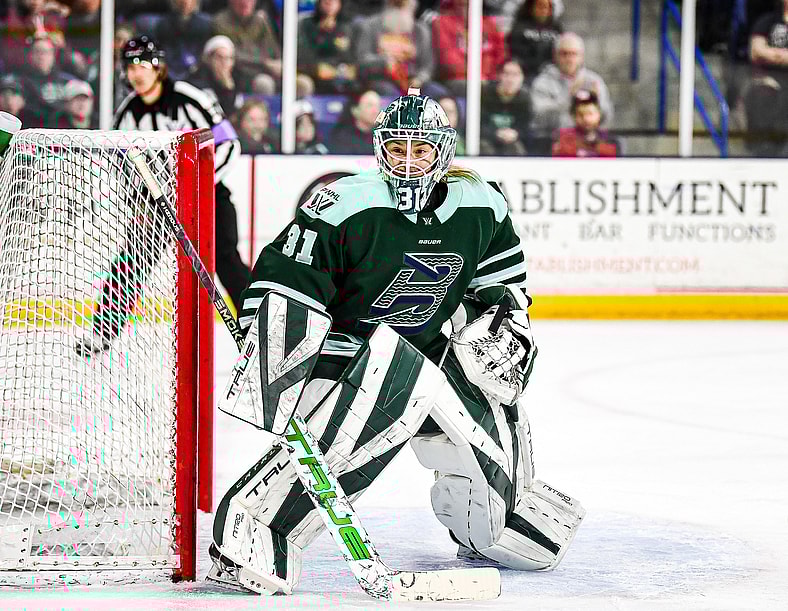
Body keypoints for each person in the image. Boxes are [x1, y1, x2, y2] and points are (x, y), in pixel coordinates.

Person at [207, 88, 585, 596]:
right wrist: (276, 357)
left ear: (443, 152)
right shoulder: (344, 204)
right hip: (347, 365)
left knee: (507, 534)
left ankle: (497, 515)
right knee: (392, 372)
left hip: (432, 359)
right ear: (380, 149)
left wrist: (503, 330)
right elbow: (285, 284)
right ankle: (259, 523)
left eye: (420, 150)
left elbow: (502, 290)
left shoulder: (481, 206)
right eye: (396, 149)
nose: (407, 163)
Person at [76, 35, 250, 354]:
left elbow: (229, 143)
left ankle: (256, 328)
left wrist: (197, 184)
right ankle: (103, 330)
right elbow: (122, 165)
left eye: (143, 64)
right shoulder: (127, 114)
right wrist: (138, 203)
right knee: (132, 262)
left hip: (207, 194)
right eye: (129, 66)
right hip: (158, 204)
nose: (136, 72)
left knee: (227, 260)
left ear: (159, 66)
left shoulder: (189, 98)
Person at [529, 32, 613, 136]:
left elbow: (606, 117)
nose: (569, 59)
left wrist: (596, 102)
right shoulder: (542, 82)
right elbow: (539, 118)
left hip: (586, 140)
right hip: (552, 141)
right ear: (555, 56)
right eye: (564, 54)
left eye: (573, 54)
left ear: (581, 57)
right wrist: (568, 98)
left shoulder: (593, 80)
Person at [355, 0, 434, 96]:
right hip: (382, 79)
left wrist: (420, 79)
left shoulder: (420, 31)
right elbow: (362, 58)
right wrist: (384, 61)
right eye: (396, 5)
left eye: (403, 5)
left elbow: (427, 65)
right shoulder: (371, 26)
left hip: (413, 81)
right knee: (389, 93)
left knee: (439, 95)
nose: (399, 9)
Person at [431, 0, 506, 97]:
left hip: (487, 79)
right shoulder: (442, 22)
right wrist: (477, 75)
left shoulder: (489, 24)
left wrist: (487, 76)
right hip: (457, 80)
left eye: (468, 4)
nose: (465, 7)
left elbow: (500, 55)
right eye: (462, 4)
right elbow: (449, 59)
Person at [744, 0, 788, 156]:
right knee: (761, 94)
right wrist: (781, 55)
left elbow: (764, 51)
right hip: (769, 80)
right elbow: (756, 50)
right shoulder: (767, 21)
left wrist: (773, 54)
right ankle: (763, 152)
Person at [296, 0, 357, 94]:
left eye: (334, 1)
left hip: (339, 71)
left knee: (355, 84)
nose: (330, 3)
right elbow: (303, 54)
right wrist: (321, 33)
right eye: (326, 1)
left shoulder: (346, 26)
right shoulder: (307, 24)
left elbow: (350, 56)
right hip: (314, 70)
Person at [188, 35, 251, 116]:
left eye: (229, 58)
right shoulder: (197, 80)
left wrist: (228, 90)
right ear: (208, 59)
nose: (224, 62)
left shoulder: (237, 80)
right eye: (219, 57)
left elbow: (234, 115)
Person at [153, 0, 216, 80]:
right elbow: (162, 49)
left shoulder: (205, 24)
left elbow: (205, 50)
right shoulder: (163, 24)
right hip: (171, 68)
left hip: (197, 69)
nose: (185, 3)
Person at [480, 59, 532, 156]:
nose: (510, 79)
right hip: (487, 140)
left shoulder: (525, 100)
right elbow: (479, 125)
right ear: (498, 76)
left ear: (523, 78)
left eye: (515, 75)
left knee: (516, 148)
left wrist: (516, 133)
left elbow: (527, 127)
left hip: (513, 141)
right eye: (506, 74)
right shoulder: (485, 95)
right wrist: (495, 133)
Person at [552, 88, 619, 157]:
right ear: (574, 116)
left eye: (590, 113)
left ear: (599, 114)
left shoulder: (610, 139)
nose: (585, 119)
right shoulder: (562, 137)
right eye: (580, 114)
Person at [506, 0, 563, 81]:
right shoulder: (519, 27)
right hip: (526, 73)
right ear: (531, 8)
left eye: (546, 7)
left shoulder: (556, 28)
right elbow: (515, 53)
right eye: (539, 6)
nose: (543, 10)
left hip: (551, 73)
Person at [326, 88, 381, 154]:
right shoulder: (341, 138)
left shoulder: (385, 135)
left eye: (378, 106)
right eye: (369, 106)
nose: (376, 111)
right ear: (355, 110)